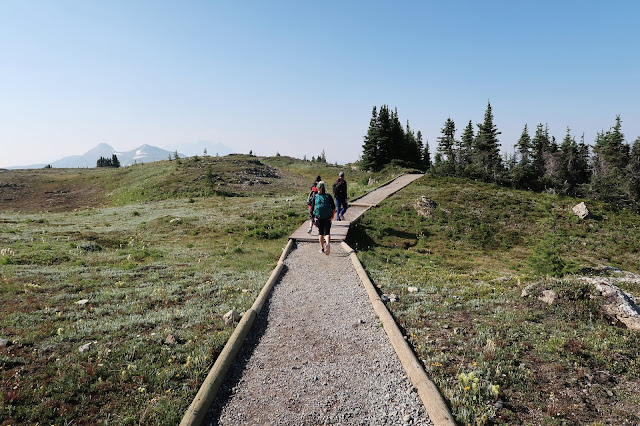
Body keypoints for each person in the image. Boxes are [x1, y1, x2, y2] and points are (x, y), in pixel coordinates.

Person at [311, 181, 335, 255]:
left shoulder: (315, 196)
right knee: (327, 232)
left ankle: (322, 248)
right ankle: (328, 244)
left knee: (320, 232)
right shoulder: (328, 196)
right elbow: (333, 207)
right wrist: (331, 214)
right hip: (327, 217)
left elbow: (312, 208)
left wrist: (313, 218)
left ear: (318, 189)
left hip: (319, 217)